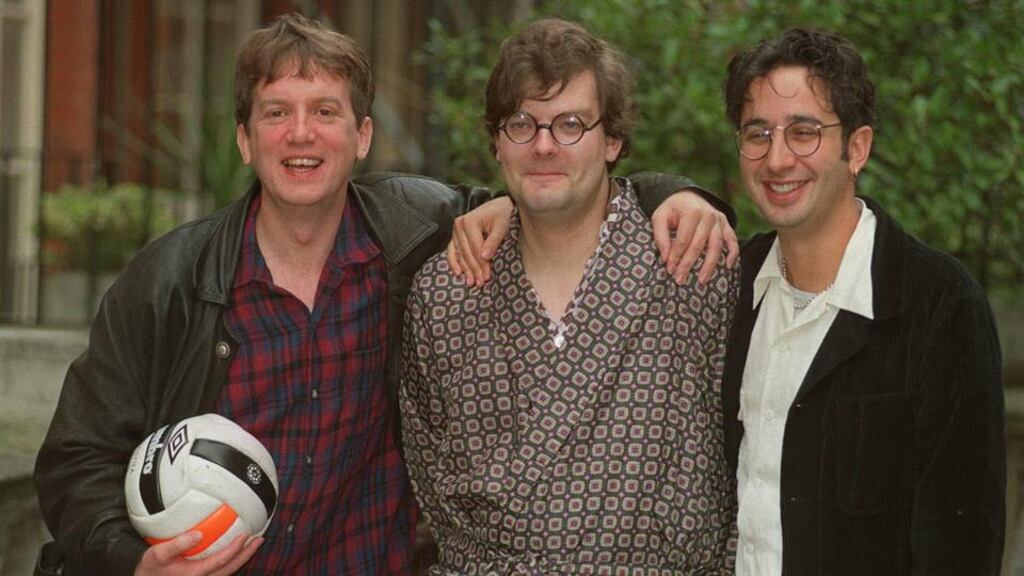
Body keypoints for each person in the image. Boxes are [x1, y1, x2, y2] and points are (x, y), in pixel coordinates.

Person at [32, 13, 732, 576]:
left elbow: (556, 191)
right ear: (245, 139)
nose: (301, 134)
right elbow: (74, 460)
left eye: (326, 111)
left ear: (362, 135)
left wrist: (675, 194)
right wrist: (135, 564)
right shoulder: (170, 283)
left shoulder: (411, 239)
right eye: (277, 113)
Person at [400, 19, 739, 574]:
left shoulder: (693, 268)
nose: (543, 145)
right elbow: (428, 475)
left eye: (571, 125)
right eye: (521, 124)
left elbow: (754, 451)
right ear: (496, 141)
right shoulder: (444, 294)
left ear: (613, 140)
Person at [718, 28, 1005, 574]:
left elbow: (962, 542)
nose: (777, 159)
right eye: (758, 134)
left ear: (858, 148)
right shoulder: (731, 285)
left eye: (804, 133)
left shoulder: (939, 306)